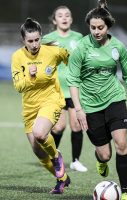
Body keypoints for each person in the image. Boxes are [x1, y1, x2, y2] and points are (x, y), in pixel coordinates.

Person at [67, 1, 127, 200]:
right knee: (106, 154)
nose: (96, 31)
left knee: (122, 144)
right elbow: (72, 79)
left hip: (115, 99)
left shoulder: (118, 46)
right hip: (90, 105)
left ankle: (125, 191)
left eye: (100, 27)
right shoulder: (82, 47)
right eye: (93, 28)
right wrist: (78, 109)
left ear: (108, 26)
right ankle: (101, 160)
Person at [11, 18, 70, 194]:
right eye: (30, 41)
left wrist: (77, 77)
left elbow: (72, 59)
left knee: (39, 134)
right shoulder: (17, 57)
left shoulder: (52, 51)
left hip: (51, 100)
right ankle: (62, 179)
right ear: (23, 41)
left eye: (37, 39)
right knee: (38, 152)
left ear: (41, 37)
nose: (35, 44)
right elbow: (18, 86)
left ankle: (56, 156)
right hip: (30, 107)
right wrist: (29, 77)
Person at [43, 6, 87, 172]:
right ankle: (52, 157)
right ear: (54, 20)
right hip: (56, 89)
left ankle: (76, 161)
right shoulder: (47, 39)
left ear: (71, 19)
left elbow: (84, 60)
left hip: (75, 88)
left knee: (76, 126)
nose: (64, 18)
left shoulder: (79, 37)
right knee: (59, 127)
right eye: (60, 16)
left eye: (67, 15)